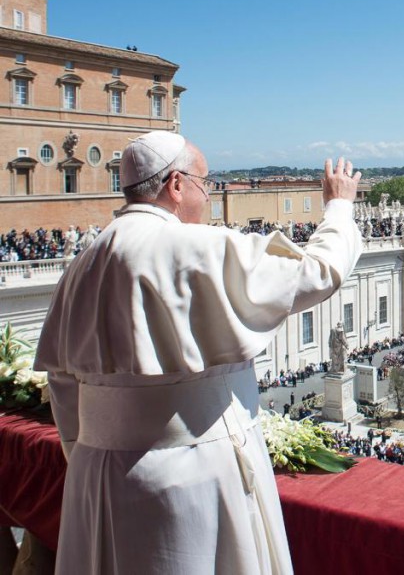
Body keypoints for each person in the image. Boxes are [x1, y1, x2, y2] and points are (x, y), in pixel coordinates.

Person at [36, 131, 363, 575]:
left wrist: (94, 452)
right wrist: (339, 206)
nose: (207, 196)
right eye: (204, 183)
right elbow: (318, 272)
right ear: (175, 185)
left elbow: (62, 383)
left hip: (96, 478)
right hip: (192, 476)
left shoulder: (83, 262)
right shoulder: (198, 247)